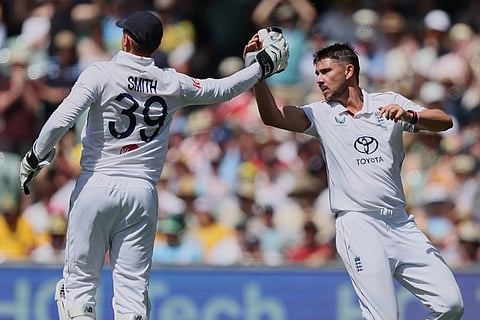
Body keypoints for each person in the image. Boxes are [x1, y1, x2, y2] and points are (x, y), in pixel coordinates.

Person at [18, 11, 288, 320]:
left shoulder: (100, 74)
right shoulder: (171, 82)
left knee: (78, 289)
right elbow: (221, 89)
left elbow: (61, 120)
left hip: (97, 182)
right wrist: (261, 67)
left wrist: (35, 156)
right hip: (142, 192)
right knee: (132, 297)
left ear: (126, 40)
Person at [244, 39, 464, 319]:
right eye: (317, 74)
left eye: (325, 72)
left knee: (451, 305)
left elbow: (444, 121)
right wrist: (257, 73)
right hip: (359, 225)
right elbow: (272, 116)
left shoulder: (389, 102)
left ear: (349, 71)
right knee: (383, 317)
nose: (320, 80)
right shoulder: (320, 114)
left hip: (400, 222)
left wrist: (411, 115)